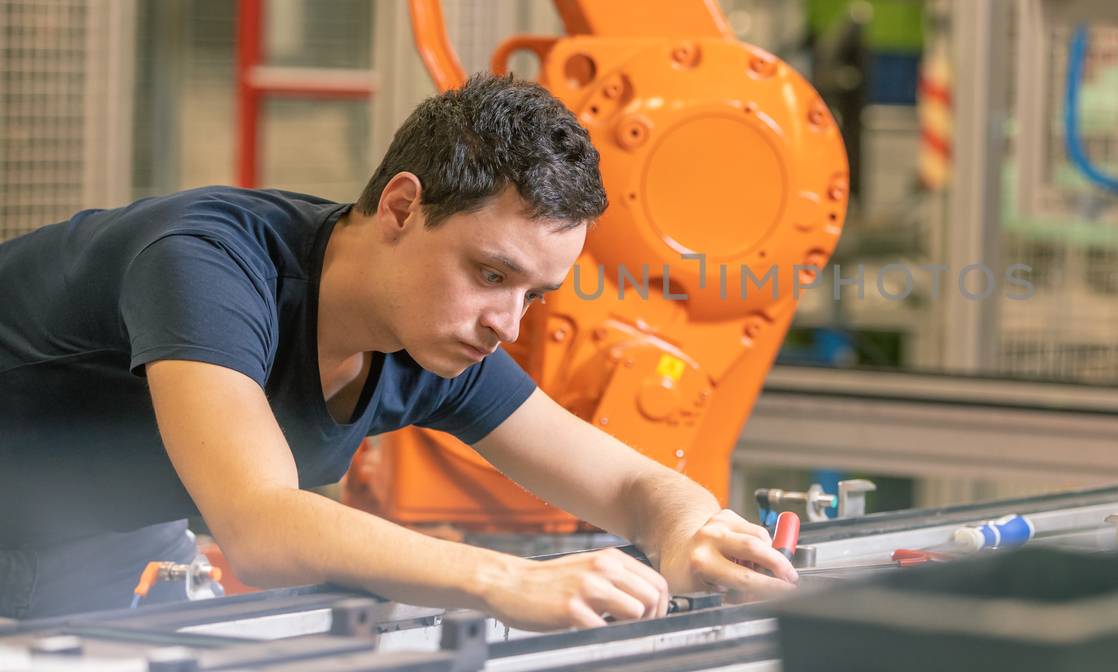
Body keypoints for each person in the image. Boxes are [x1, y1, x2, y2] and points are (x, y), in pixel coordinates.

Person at [0, 73, 797, 623]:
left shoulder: (426, 340)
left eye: (533, 295)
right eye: (492, 273)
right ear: (402, 206)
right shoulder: (206, 265)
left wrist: (688, 529)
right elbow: (259, 525)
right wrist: (504, 577)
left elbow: (626, 482)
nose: (506, 323)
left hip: (90, 529)